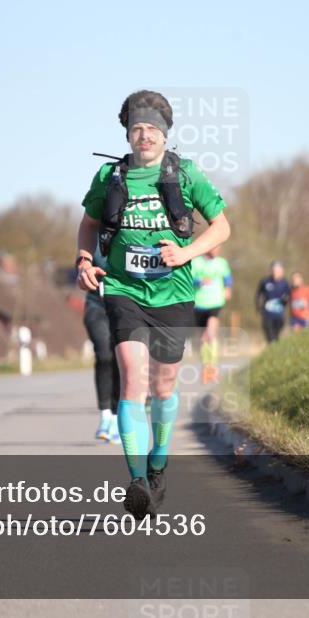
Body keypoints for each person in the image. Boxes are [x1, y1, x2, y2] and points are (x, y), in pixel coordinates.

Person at [77, 89, 230, 519]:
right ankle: (138, 481)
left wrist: (186, 253)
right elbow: (88, 225)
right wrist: (85, 259)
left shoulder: (186, 175)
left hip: (174, 294)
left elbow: (221, 227)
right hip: (125, 291)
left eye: (151, 130)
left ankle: (159, 459)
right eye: (136, 129)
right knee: (133, 381)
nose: (143, 136)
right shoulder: (109, 177)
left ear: (164, 135)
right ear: (127, 135)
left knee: (164, 386)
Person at [82, 245, 121, 445]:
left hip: (125, 307)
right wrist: (83, 269)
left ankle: (116, 418)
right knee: (104, 354)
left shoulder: (133, 230)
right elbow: (82, 262)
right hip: (96, 307)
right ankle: (105, 416)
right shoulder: (95, 237)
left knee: (120, 359)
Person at [191, 245, 232, 383]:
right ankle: (206, 366)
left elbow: (227, 278)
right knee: (203, 339)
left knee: (211, 333)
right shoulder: (196, 262)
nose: (218, 250)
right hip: (199, 305)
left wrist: (227, 288)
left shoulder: (222, 263)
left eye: (219, 248)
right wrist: (200, 281)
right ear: (208, 247)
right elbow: (189, 280)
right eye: (215, 247)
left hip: (215, 303)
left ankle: (213, 366)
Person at [255, 260, 290, 344]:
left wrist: (285, 302)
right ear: (271, 270)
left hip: (279, 315)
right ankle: (271, 348)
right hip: (267, 315)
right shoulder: (265, 281)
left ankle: (275, 351)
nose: (276, 272)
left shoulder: (285, 283)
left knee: (276, 336)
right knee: (269, 337)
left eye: (278, 270)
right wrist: (258, 307)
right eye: (274, 270)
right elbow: (258, 295)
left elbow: (289, 297)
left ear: (282, 271)